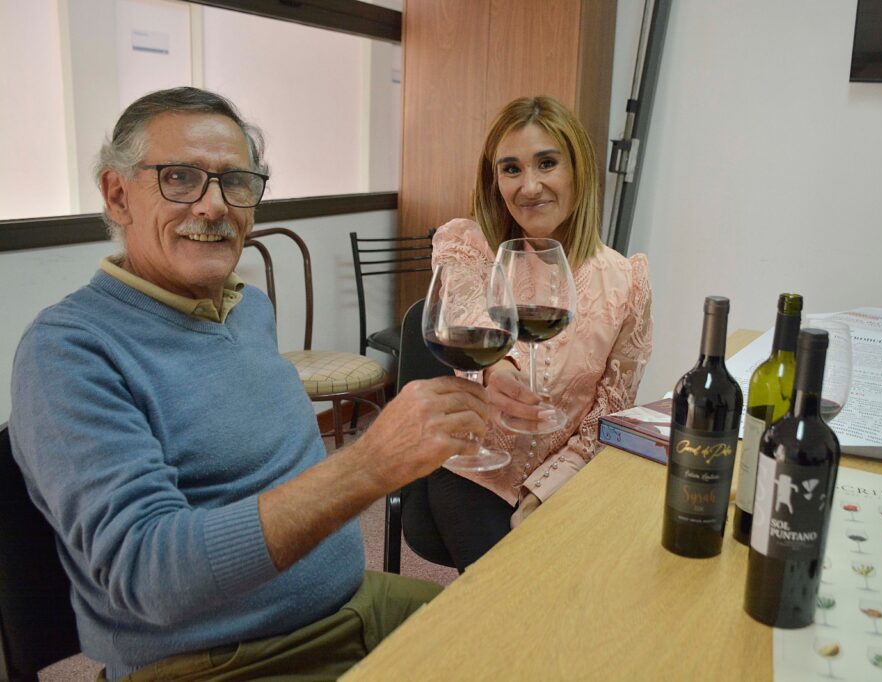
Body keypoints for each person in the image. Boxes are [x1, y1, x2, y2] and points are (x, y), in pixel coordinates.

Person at [8, 87, 489, 681]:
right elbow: (148, 574)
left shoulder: (247, 307)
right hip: (226, 661)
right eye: (179, 178)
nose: (214, 206)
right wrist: (370, 465)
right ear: (117, 194)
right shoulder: (68, 349)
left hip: (349, 607)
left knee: (522, 633)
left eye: (236, 181)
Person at [403, 96, 653, 572]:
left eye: (547, 163)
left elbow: (609, 411)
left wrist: (546, 491)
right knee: (510, 588)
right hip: (472, 468)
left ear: (578, 169)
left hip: (567, 473)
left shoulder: (627, 281)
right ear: (494, 180)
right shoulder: (468, 245)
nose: (529, 186)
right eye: (511, 169)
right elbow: (466, 316)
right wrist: (498, 369)